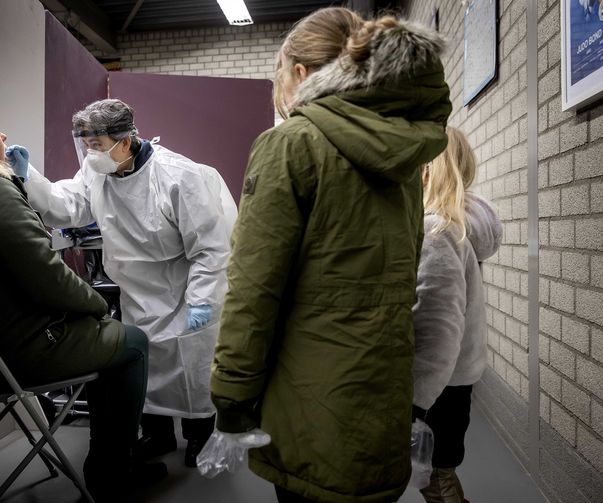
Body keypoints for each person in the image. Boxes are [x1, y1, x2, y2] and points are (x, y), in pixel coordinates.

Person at [208, 7, 452, 503]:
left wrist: (232, 394)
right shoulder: (402, 156)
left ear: (300, 73)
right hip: (380, 387)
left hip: (308, 396)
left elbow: (255, 288)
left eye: (279, 77)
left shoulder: (291, 145)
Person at [10, 98, 237, 467]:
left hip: (181, 290)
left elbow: (210, 249)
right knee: (146, 371)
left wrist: (202, 301)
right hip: (137, 292)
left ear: (125, 141)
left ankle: (200, 437)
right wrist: (29, 177)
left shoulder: (179, 176)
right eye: (86, 145)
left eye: (96, 145)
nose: (90, 153)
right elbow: (70, 205)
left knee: (191, 371)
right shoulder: (97, 171)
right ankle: (158, 435)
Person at [0, 96, 164, 503]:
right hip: (18, 350)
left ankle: (132, 453)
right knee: (131, 342)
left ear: (125, 140)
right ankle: (112, 472)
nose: (3, 134)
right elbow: (48, 276)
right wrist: (97, 306)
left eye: (97, 143)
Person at [412, 127, 502, 503]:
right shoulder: (461, 224)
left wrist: (415, 401)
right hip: (455, 378)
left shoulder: (437, 230)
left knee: (436, 478)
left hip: (438, 384)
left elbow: (437, 326)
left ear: (428, 170)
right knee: (441, 473)